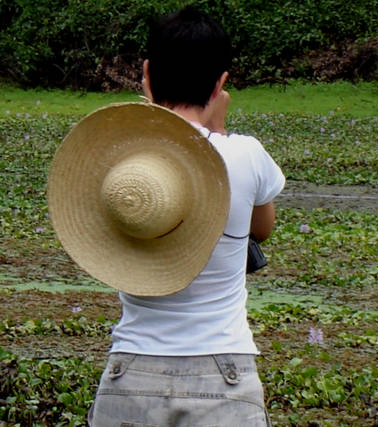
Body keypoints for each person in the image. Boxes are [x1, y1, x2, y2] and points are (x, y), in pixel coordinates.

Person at [87, 7, 285, 426]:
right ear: (220, 84)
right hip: (223, 372)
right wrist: (219, 132)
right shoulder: (245, 154)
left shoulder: (123, 158)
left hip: (131, 369)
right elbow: (262, 229)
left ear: (146, 74)